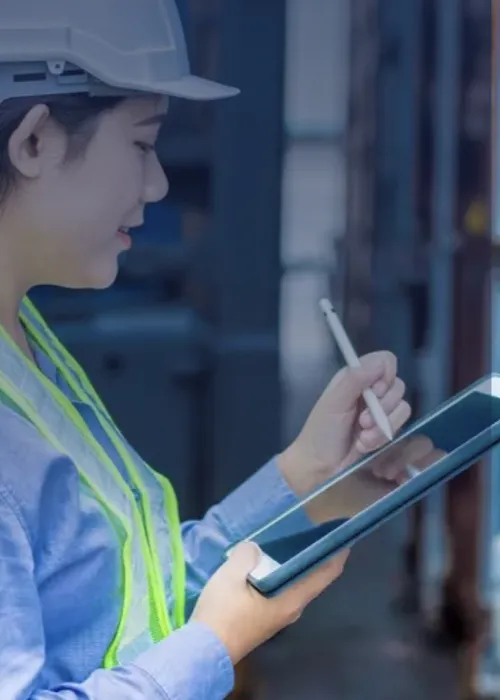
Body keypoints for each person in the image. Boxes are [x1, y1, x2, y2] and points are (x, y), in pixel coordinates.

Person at [0, 1, 412, 698]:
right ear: (35, 141)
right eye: (141, 143)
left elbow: (135, 597)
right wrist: (218, 644)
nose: (158, 183)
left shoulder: (25, 341)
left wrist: (307, 480)